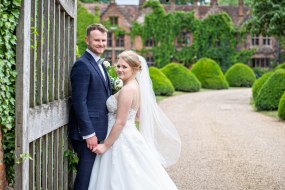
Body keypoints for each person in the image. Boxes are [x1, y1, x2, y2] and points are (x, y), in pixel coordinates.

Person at [88, 50, 181, 190]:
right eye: (118, 66)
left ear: (135, 69)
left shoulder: (127, 90)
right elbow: (138, 116)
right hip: (129, 134)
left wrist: (105, 146)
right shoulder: (135, 86)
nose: (119, 70)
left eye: (124, 67)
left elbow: (120, 122)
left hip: (119, 139)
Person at [68, 23, 112, 190]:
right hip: (88, 135)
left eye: (103, 40)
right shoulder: (82, 65)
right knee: (85, 177)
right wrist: (89, 134)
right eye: (97, 40)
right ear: (87, 40)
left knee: (95, 176)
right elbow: (79, 102)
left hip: (100, 130)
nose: (101, 44)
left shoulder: (99, 63)